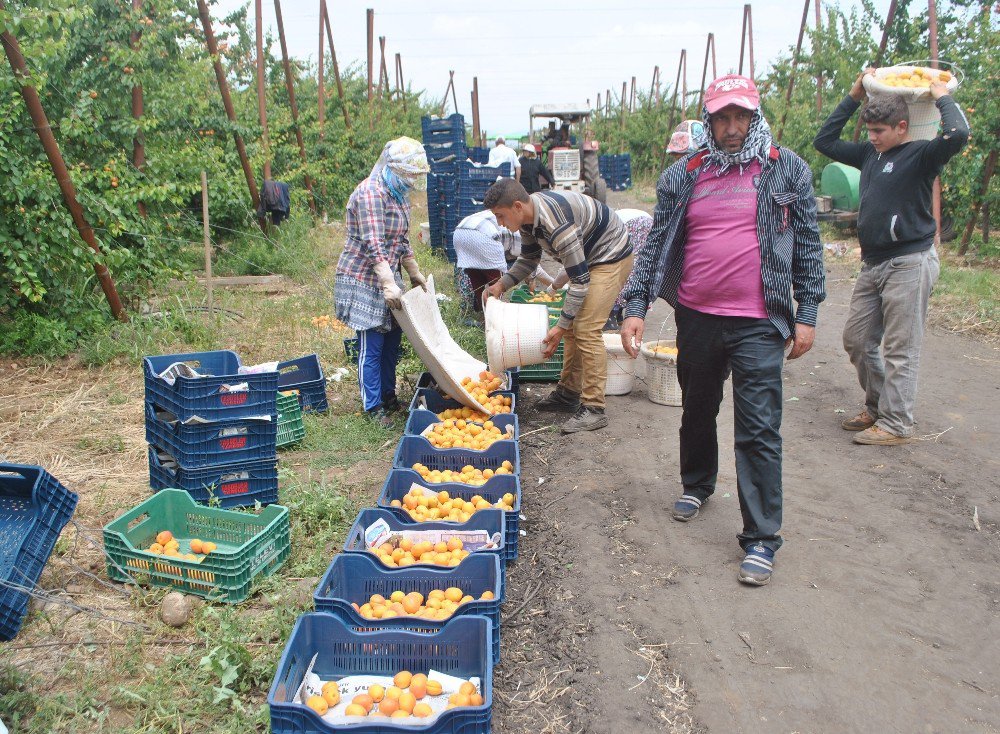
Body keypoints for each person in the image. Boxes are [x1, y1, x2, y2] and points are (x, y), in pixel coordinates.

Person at [619, 74, 825, 586]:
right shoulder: (684, 175)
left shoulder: (785, 169)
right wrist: (635, 304)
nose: (732, 128)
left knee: (759, 427)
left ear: (755, 118)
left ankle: (760, 539)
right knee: (698, 406)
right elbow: (656, 244)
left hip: (760, 319)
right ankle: (697, 483)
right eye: (721, 118)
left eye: (741, 117)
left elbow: (808, 242)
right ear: (708, 122)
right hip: (698, 314)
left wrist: (809, 311)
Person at [814, 69, 969, 446]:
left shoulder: (922, 154)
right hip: (874, 263)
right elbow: (825, 140)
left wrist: (941, 94)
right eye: (869, 131)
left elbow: (958, 134)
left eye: (879, 131)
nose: (872, 138)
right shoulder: (870, 153)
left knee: (901, 347)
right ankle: (879, 405)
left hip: (910, 261)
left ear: (902, 126)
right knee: (857, 339)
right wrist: (853, 96)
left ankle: (897, 423)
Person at [484, 179, 633, 433]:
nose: (500, 223)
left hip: (610, 255)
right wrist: (502, 284)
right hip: (590, 257)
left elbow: (580, 281)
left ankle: (595, 408)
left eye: (500, 215)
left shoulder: (556, 223)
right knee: (574, 326)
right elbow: (529, 259)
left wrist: (561, 325)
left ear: (517, 206)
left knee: (585, 327)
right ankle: (568, 394)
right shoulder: (529, 221)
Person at [335, 137, 430, 427]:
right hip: (364, 278)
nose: (411, 182)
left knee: (392, 341)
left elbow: (401, 239)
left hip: (390, 276)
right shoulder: (371, 193)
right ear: (392, 168)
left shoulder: (397, 196)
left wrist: (413, 270)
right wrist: (388, 282)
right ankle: (372, 405)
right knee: (372, 343)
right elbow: (373, 242)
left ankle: (389, 395)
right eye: (408, 176)